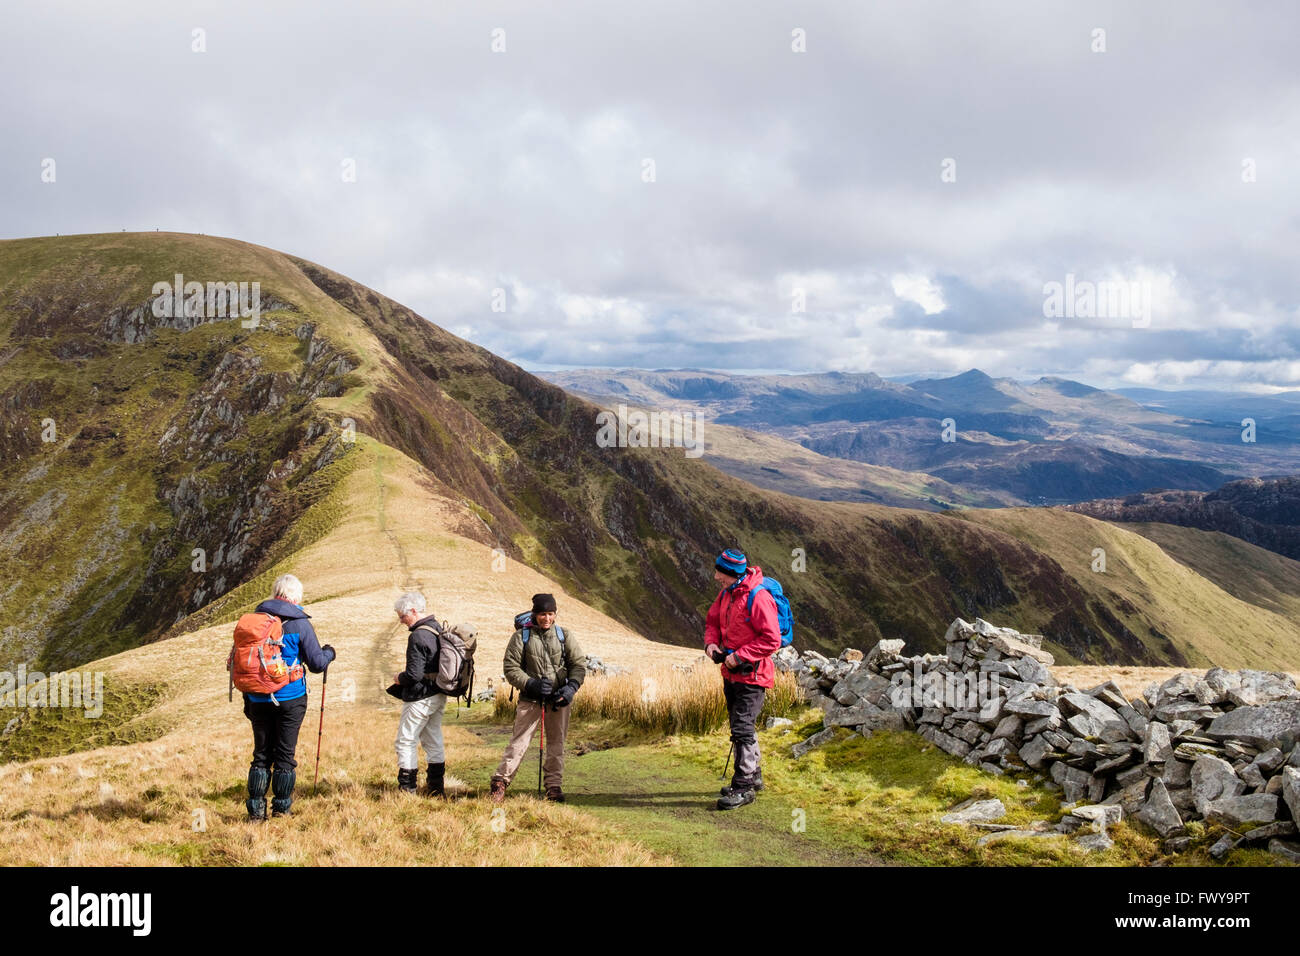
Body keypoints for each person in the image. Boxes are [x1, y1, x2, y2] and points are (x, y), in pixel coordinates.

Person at [242, 574, 335, 821]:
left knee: (261, 754)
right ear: (296, 597)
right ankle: (281, 810)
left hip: (257, 697)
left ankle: (255, 813)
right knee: (284, 755)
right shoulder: (299, 622)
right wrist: (330, 653)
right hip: (290, 698)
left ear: (275, 593)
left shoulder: (255, 620)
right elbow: (316, 663)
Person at [703, 548, 782, 810]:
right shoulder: (727, 593)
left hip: (753, 676)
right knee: (742, 727)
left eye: (720, 573)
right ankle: (754, 776)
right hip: (730, 673)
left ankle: (743, 786)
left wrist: (739, 656)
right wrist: (712, 645)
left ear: (733, 574)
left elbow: (772, 640)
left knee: (742, 729)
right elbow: (712, 621)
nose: (716, 577)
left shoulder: (758, 598)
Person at [490, 593, 586, 803]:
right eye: (542, 614)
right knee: (519, 742)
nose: (547, 618)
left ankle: (553, 787)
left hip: (558, 701)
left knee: (556, 744)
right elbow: (510, 668)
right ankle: (500, 782)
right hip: (530, 700)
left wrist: (571, 688)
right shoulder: (521, 637)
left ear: (555, 614)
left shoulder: (564, 636)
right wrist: (531, 684)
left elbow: (578, 665)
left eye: (550, 613)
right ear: (534, 614)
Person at [392, 591, 449, 797]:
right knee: (433, 739)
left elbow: (414, 675)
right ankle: (436, 788)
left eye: (402, 616)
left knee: (406, 740)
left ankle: (407, 790)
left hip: (420, 697)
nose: (400, 621)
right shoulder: (437, 628)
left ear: (413, 611)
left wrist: (399, 678)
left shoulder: (417, 636)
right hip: (439, 694)